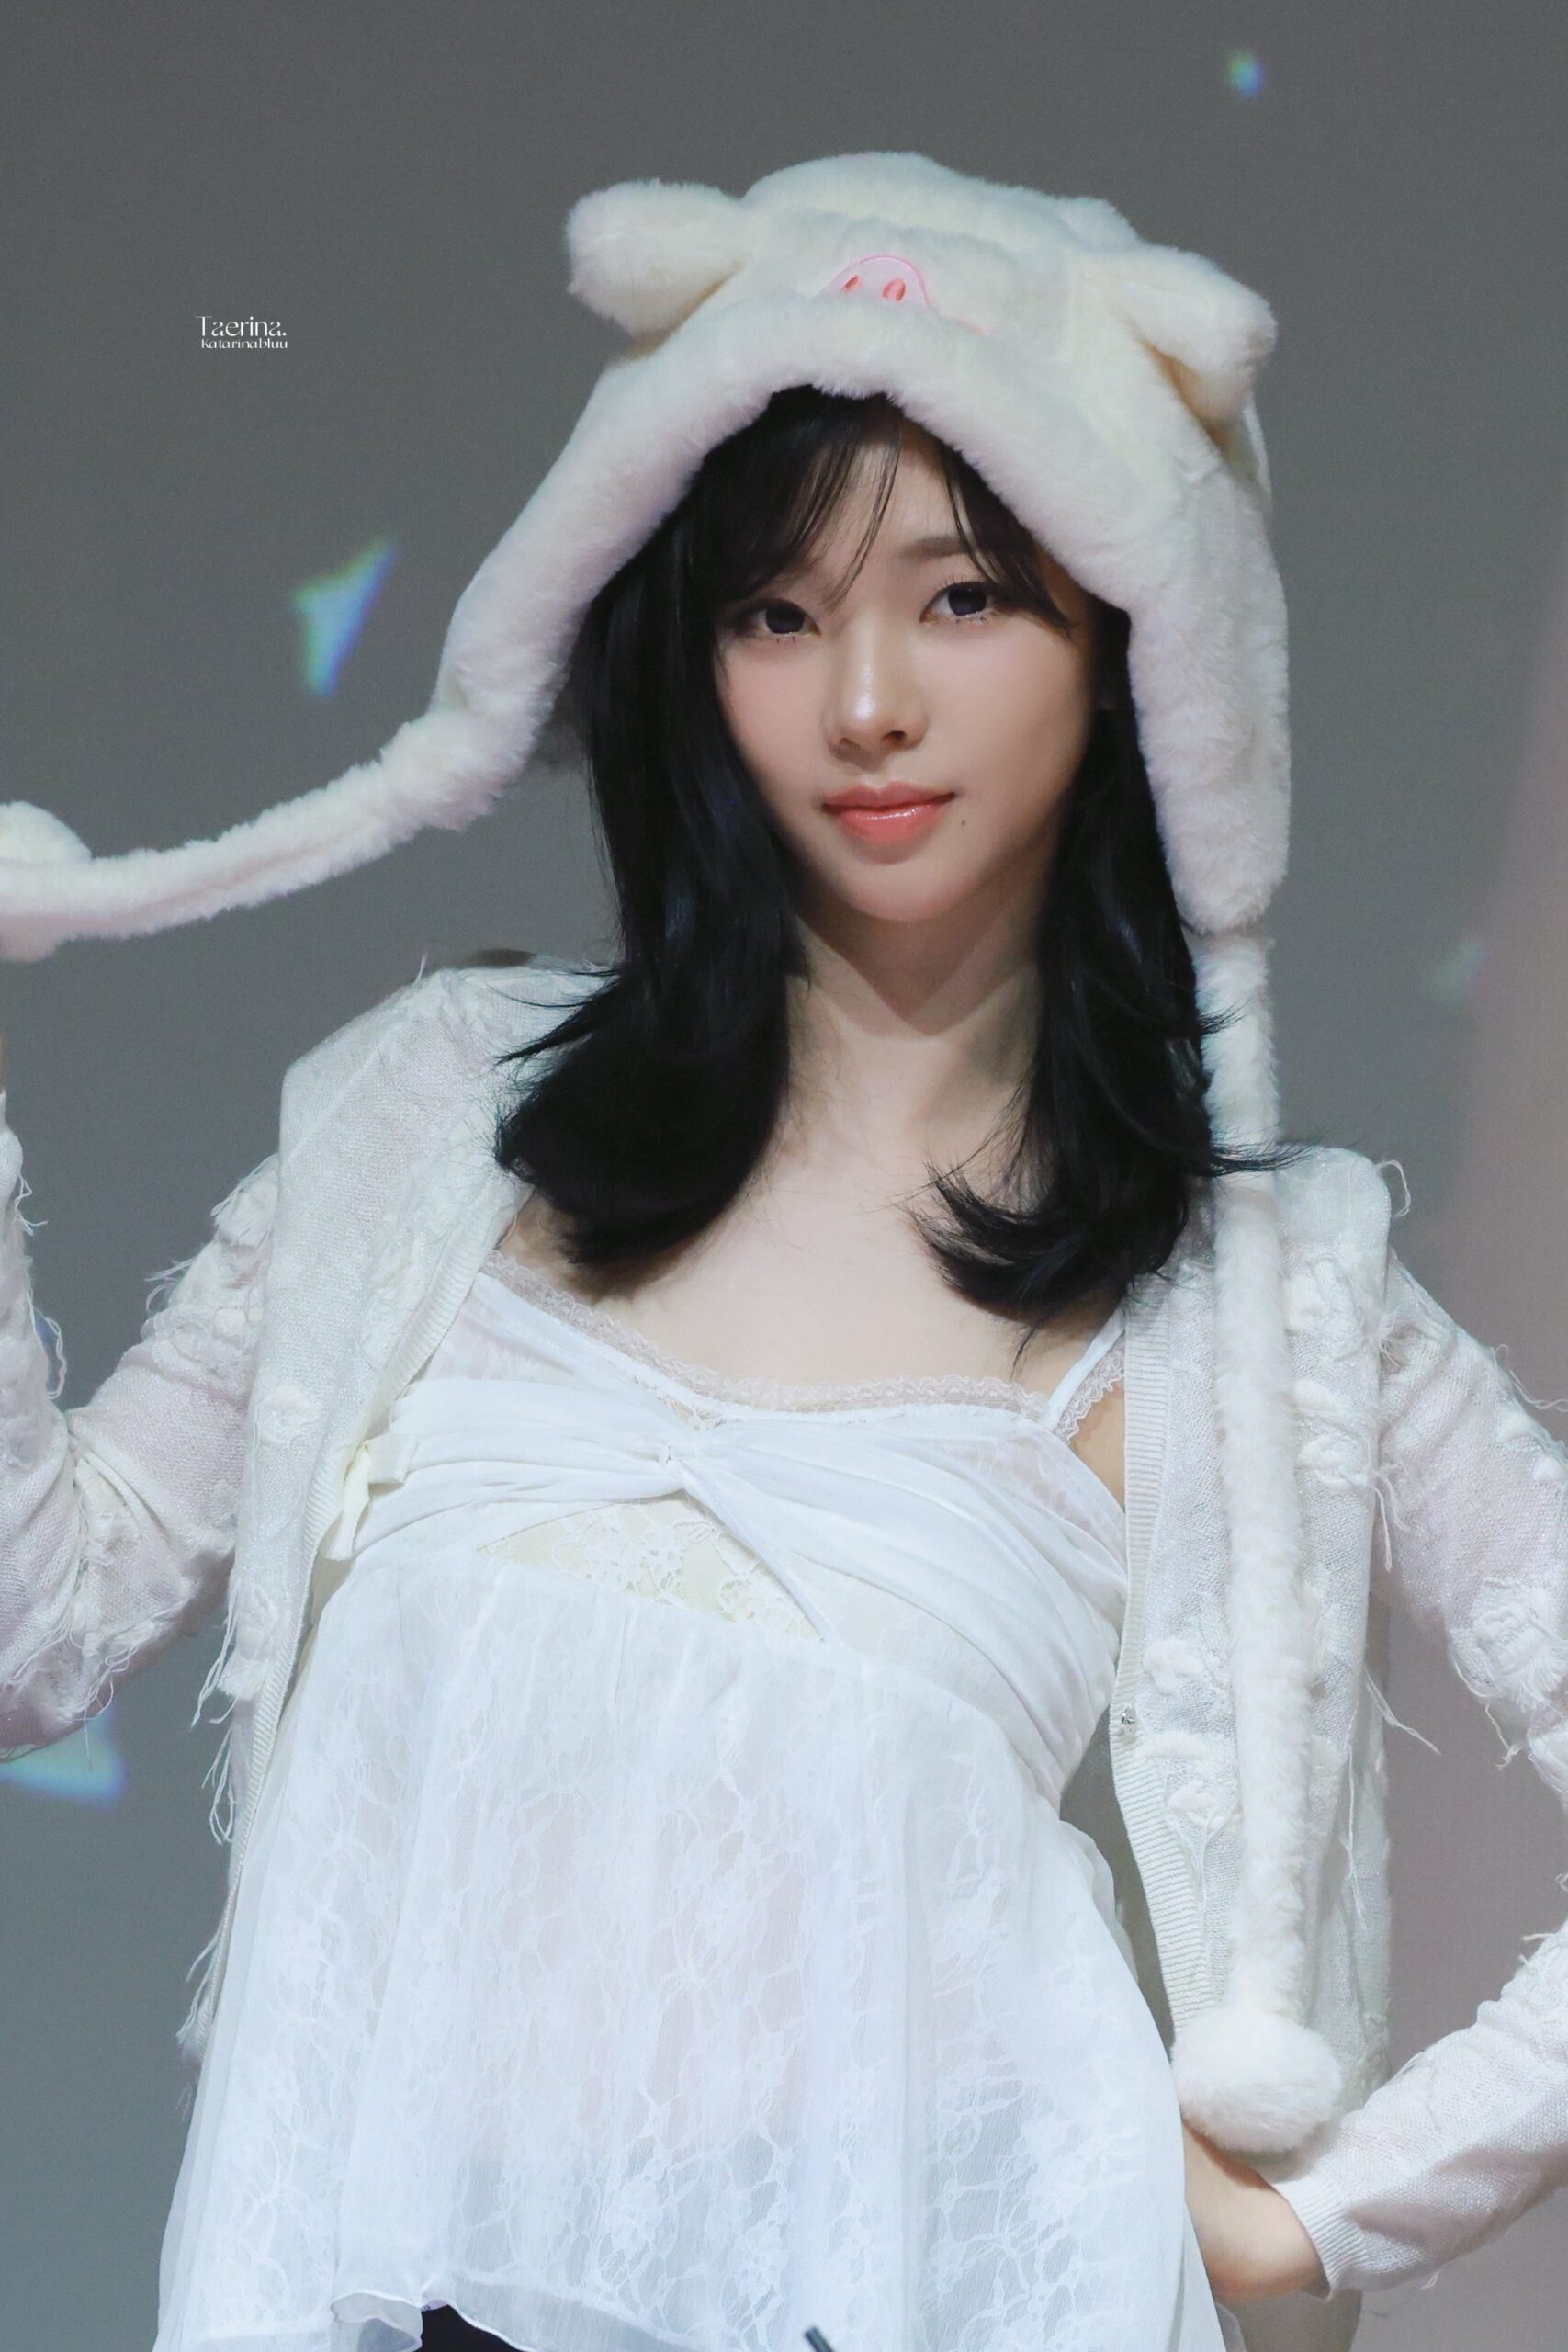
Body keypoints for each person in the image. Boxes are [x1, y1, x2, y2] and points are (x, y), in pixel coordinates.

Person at [2, 154, 1566, 2352]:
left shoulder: (1252, 1306)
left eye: (962, 597)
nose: (863, 702)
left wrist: (1320, 2217)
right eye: (773, 611)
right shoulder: (436, 1123)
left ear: (1132, 643)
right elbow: (36, 1623)